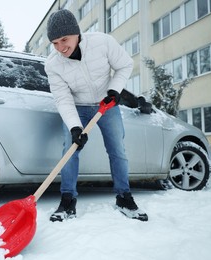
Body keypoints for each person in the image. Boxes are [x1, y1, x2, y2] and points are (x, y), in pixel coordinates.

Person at [44, 9, 148, 222]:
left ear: (76, 32)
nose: (60, 47)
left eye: (64, 39)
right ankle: (67, 200)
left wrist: (115, 90)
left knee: (117, 149)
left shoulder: (103, 42)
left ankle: (123, 196)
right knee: (70, 149)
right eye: (54, 43)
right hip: (78, 107)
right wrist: (74, 127)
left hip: (106, 104)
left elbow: (125, 65)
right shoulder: (53, 64)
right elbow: (63, 99)